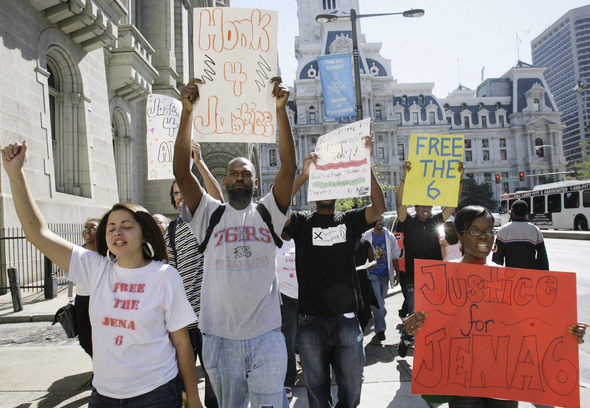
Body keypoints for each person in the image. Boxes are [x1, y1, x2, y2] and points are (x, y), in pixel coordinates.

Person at [1, 141, 202, 408]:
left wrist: (194, 398)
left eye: (127, 226)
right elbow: (37, 234)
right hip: (104, 397)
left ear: (143, 233)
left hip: (157, 394)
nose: (118, 231)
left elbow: (182, 342)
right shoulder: (94, 269)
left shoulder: (165, 276)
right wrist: (15, 174)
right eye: (111, 227)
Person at [173, 76, 296, 408]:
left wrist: (280, 110)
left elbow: (289, 167)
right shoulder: (208, 214)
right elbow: (183, 174)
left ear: (255, 182)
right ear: (224, 181)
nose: (240, 177)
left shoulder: (269, 212)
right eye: (234, 173)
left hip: (267, 337)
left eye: (246, 174)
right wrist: (188, 114)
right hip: (220, 340)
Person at [403, 205, 587, 408]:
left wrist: (566, 332)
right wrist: (415, 326)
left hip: (504, 382)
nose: (484, 236)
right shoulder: (442, 279)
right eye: (475, 230)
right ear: (461, 236)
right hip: (463, 383)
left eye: (489, 230)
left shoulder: (511, 281)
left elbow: (532, 328)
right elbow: (435, 330)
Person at [282, 141, 386, 408]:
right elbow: (277, 210)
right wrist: (303, 175)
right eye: (319, 184)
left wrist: (366, 165)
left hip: (346, 320)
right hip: (310, 322)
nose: (324, 190)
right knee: (316, 391)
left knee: (352, 385)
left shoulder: (349, 220)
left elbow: (378, 207)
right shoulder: (303, 223)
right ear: (314, 193)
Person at [166, 140, 223, 408]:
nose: (180, 196)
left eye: (184, 190)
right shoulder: (170, 232)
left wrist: (198, 162)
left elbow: (218, 198)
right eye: (176, 193)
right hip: (186, 321)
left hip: (213, 317)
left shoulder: (211, 219)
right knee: (187, 386)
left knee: (215, 382)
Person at [395, 160, 463, 357]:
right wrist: (405, 177)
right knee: (416, 312)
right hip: (414, 277)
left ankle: (429, 346)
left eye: (429, 205)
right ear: (416, 207)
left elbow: (452, 204)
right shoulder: (407, 221)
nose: (427, 208)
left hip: (436, 275)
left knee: (435, 314)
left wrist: (457, 179)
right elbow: (400, 202)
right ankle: (407, 337)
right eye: (423, 206)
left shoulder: (436, 220)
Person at [362, 216, 400, 342]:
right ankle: (380, 330)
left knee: (380, 301)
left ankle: (379, 316)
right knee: (378, 303)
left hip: (384, 274)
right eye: (376, 220)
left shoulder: (389, 236)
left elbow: (395, 255)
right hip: (372, 274)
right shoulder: (366, 236)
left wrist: (397, 273)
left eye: (381, 220)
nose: (379, 222)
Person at [492, 199, 549, 270]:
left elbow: (497, 259)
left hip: (511, 275)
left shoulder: (503, 230)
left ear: (512, 212)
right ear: (526, 213)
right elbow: (543, 259)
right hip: (531, 275)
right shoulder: (535, 230)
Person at [73, 217, 100, 358]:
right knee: (85, 338)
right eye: (86, 227)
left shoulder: (106, 253)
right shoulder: (78, 252)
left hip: (100, 298)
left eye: (92, 228)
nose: (87, 231)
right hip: (83, 299)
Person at [276, 238, 298, 400]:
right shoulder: (273, 241)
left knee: (307, 339)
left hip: (305, 297)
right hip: (284, 298)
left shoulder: (301, 239)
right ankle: (288, 380)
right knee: (287, 339)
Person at [354, 235, 377, 332]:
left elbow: (373, 260)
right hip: (348, 282)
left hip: (363, 281)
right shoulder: (344, 242)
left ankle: (359, 332)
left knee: (365, 312)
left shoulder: (365, 243)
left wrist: (371, 264)